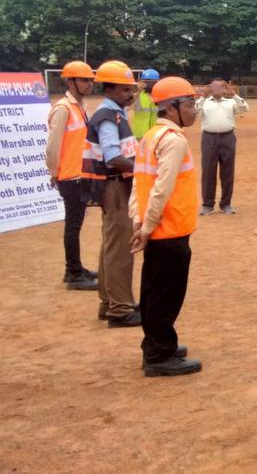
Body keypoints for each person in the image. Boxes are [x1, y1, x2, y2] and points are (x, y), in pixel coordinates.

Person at [130, 76, 203, 377]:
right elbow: (161, 187)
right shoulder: (173, 140)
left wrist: (139, 221)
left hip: (158, 229)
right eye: (188, 105)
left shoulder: (151, 136)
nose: (193, 111)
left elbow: (138, 183)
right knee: (166, 294)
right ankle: (159, 355)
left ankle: (158, 344)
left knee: (152, 291)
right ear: (171, 108)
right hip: (169, 230)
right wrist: (146, 227)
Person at [82, 60, 141, 327]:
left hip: (114, 186)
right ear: (109, 89)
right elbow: (113, 157)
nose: (130, 95)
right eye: (124, 90)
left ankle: (109, 301)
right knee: (121, 248)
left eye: (131, 89)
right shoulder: (108, 116)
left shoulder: (113, 113)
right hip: (115, 185)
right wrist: (145, 169)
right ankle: (120, 308)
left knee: (111, 245)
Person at [45, 60, 98, 290]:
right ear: (71, 82)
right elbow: (52, 146)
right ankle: (73, 272)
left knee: (75, 224)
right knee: (73, 225)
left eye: (89, 80)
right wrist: (54, 172)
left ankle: (74, 268)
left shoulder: (80, 108)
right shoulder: (63, 109)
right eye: (84, 80)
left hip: (80, 174)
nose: (88, 84)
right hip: (70, 176)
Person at [196, 78, 248, 215]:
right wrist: (203, 97)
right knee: (208, 172)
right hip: (209, 138)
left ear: (225, 89)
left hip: (228, 137)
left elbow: (244, 108)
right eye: (212, 87)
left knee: (228, 172)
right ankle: (207, 204)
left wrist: (234, 95)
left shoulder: (230, 102)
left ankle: (226, 204)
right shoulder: (204, 103)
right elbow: (195, 113)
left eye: (219, 87)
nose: (215, 89)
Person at [130, 68, 160, 140]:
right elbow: (128, 105)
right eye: (146, 82)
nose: (149, 85)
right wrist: (138, 91)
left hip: (156, 136)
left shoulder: (160, 96)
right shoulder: (138, 95)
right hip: (140, 136)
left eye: (152, 82)